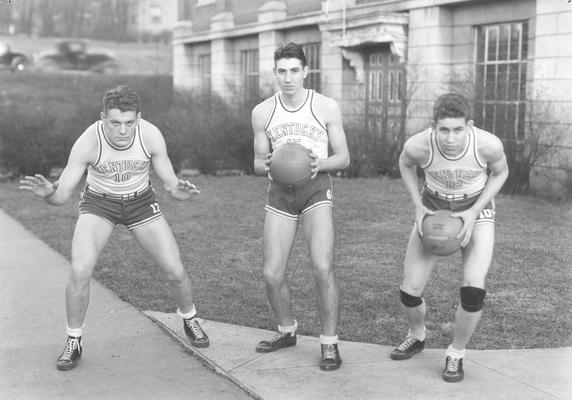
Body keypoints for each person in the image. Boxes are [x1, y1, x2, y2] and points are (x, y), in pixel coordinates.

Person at [19, 85, 209, 371]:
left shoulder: (150, 135)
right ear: (102, 118)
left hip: (141, 202)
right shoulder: (88, 142)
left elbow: (169, 182)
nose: (123, 130)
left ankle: (190, 318)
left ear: (139, 119)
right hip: (99, 204)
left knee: (175, 270)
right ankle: (74, 341)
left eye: (129, 122)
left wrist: (176, 191)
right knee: (80, 271)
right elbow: (61, 196)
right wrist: (48, 193)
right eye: (115, 123)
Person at [391, 93, 509, 382]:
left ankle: (456, 353)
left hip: (475, 210)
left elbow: (501, 172)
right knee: (409, 292)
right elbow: (405, 164)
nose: (451, 138)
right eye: (444, 129)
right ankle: (417, 335)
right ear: (433, 126)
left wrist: (474, 212)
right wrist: (417, 206)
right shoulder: (418, 144)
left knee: (473, 289)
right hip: (433, 207)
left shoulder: (488, 144)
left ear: (469, 125)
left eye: (458, 129)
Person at [251, 42, 350, 372]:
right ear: (275, 73)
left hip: (314, 188)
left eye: (295, 70)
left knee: (323, 268)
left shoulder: (325, 107)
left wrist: (318, 164)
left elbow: (344, 158)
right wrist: (269, 164)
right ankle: (286, 330)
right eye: (282, 71)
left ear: (306, 72)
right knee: (270, 273)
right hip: (279, 191)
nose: (288, 77)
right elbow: (255, 162)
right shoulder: (263, 111)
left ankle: (329, 343)